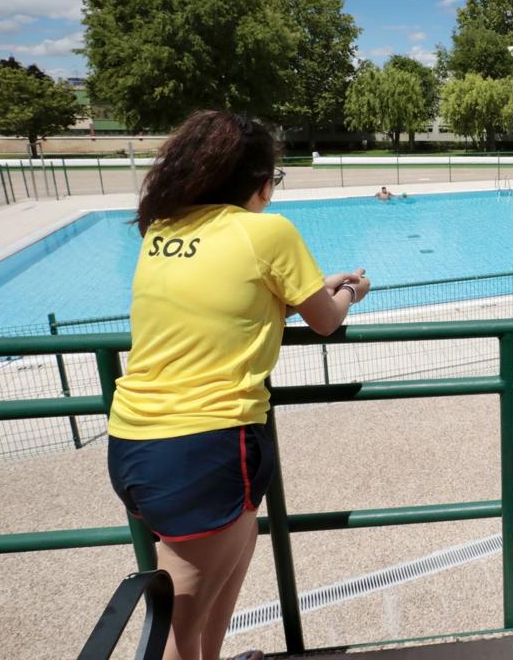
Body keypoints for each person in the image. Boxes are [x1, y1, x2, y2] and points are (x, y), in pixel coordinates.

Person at [107, 110, 371, 660]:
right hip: (206, 445)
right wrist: (351, 291)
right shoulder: (267, 231)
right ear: (259, 180)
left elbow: (230, 296)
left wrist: (310, 287)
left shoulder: (163, 229)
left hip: (133, 441)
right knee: (181, 623)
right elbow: (327, 321)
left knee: (230, 559)